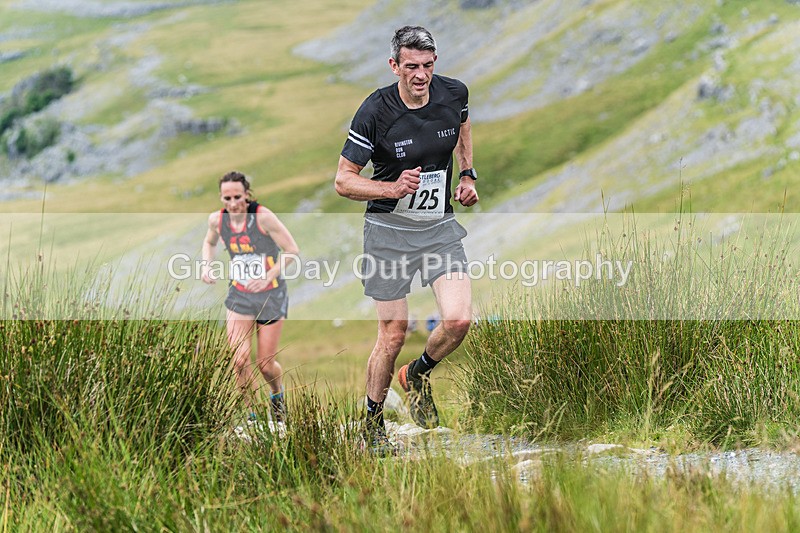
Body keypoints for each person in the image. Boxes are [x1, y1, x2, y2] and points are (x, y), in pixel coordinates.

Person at [334, 26, 479, 455]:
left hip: (437, 228)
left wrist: (467, 174)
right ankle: (373, 422)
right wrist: (391, 189)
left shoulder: (453, 93)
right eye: (411, 66)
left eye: (428, 66)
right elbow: (343, 181)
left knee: (458, 321)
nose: (421, 75)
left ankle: (416, 374)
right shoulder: (375, 111)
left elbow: (463, 125)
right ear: (394, 65)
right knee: (393, 333)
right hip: (388, 233)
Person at [201, 171, 299, 422]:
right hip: (239, 295)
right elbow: (209, 243)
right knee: (239, 360)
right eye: (226, 198)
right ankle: (251, 416)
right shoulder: (217, 220)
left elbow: (291, 251)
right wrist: (206, 265)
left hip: (270, 296)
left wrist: (269, 275)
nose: (232, 204)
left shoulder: (263, 218)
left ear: (247, 195)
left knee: (265, 364)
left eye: (237, 197)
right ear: (221, 198)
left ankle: (277, 395)